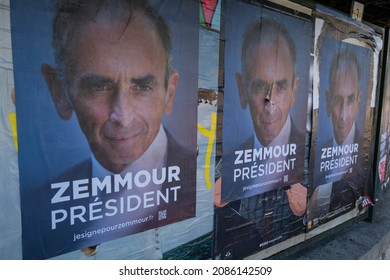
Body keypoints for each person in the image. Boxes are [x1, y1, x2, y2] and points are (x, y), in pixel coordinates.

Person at [39, 0, 196, 258]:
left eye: (143, 86)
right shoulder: (40, 207)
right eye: (98, 87)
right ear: (59, 91)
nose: (122, 116)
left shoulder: (197, 178)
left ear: (170, 92)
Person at [215, 16, 307, 258]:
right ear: (242, 88)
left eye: (281, 86)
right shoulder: (228, 154)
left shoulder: (312, 149)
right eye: (259, 86)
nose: (270, 102)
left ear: (295, 90)